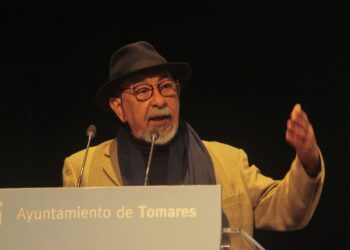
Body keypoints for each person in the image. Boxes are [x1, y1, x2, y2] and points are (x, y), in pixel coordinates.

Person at [62, 41, 325, 245]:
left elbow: (286, 210)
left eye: (166, 86)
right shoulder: (83, 168)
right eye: (143, 91)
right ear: (118, 107)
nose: (160, 100)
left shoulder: (228, 161)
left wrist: (308, 162)